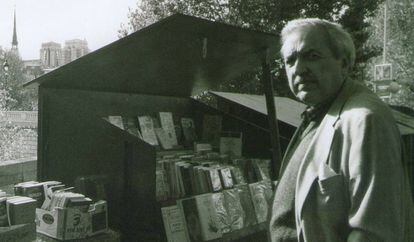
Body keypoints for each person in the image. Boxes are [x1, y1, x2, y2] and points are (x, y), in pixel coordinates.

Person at [268, 18, 414, 242]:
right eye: (290, 60)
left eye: (312, 56)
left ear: (344, 64)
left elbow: (374, 234)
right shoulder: (318, 111)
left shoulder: (364, 120)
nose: (299, 69)